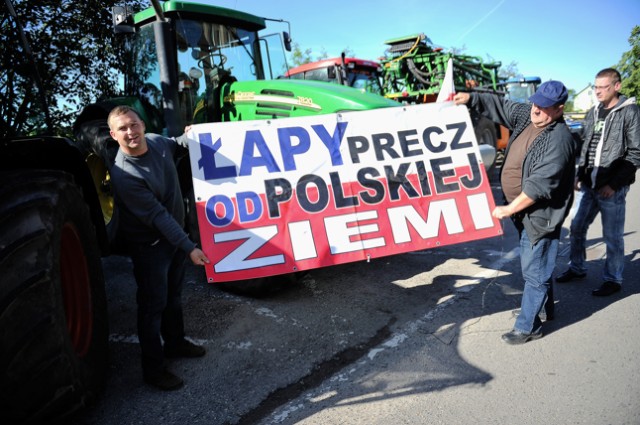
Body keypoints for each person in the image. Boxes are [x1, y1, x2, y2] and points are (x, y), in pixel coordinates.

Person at [454, 80, 577, 344]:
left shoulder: (560, 139)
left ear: (559, 109)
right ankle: (544, 309)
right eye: (535, 102)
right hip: (523, 213)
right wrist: (470, 98)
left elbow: (539, 185)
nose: (535, 109)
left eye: (543, 107)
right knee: (539, 264)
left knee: (535, 271)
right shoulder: (528, 117)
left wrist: (509, 207)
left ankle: (527, 327)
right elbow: (501, 105)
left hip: (539, 216)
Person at [108, 105, 210, 390]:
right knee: (153, 306)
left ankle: (175, 344)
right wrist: (189, 245)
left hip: (174, 236)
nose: (131, 132)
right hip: (151, 246)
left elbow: (177, 144)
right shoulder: (124, 175)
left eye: (134, 125)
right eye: (123, 129)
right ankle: (153, 370)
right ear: (113, 134)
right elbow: (158, 217)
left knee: (174, 296)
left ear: (142, 124)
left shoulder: (155, 141)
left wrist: (190, 135)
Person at [556, 68, 640, 296]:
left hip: (612, 189)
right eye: (596, 87)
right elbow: (586, 146)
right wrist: (580, 175)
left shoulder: (629, 111)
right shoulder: (593, 112)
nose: (598, 92)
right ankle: (577, 267)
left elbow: (635, 152)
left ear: (617, 87)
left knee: (612, 235)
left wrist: (613, 185)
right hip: (589, 186)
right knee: (576, 228)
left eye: (603, 87)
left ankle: (613, 279)